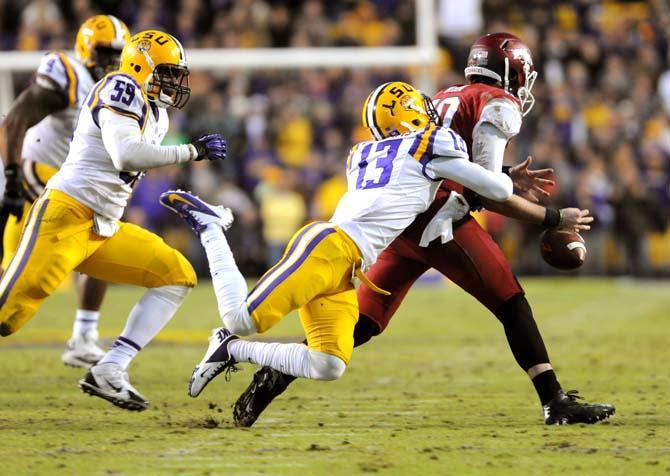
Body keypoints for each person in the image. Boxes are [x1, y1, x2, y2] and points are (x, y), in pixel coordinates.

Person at [233, 33, 615, 427]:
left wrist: (500, 175)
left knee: (363, 322)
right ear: (512, 71)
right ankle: (554, 401)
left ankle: (276, 374)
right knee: (510, 300)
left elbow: (456, 169)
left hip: (404, 220)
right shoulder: (498, 103)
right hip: (441, 221)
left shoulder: (445, 95)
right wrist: (551, 218)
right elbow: (489, 192)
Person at [161, 80, 515, 407]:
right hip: (329, 248)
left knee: (328, 363)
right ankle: (211, 227)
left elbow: (415, 181)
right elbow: (497, 189)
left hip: (348, 266)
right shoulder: (431, 144)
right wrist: (505, 175)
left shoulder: (365, 152)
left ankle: (233, 351)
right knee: (239, 317)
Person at [0, 30, 227, 412]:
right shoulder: (121, 86)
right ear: (141, 65)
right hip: (66, 215)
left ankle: (110, 369)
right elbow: (125, 155)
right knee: (6, 317)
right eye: (168, 72)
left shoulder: (157, 112)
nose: (174, 82)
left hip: (102, 226)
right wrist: (192, 152)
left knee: (177, 275)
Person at [0, 15, 130, 368]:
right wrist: (11, 179)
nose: (113, 61)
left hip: (74, 186)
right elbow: (14, 120)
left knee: (101, 243)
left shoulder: (122, 89)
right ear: (86, 47)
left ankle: (84, 336)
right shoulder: (69, 74)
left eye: (119, 53)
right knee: (16, 276)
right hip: (38, 178)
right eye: (106, 51)